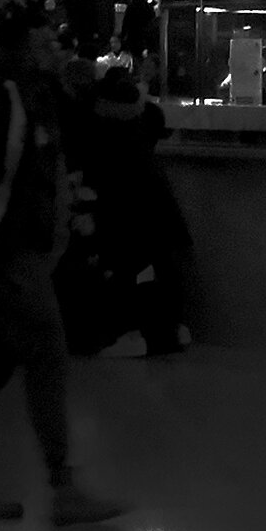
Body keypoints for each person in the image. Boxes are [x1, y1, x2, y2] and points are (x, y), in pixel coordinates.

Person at [0, 8, 123, 524]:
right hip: (9, 258)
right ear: (20, 49)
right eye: (42, 41)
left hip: (12, 255)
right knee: (47, 359)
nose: (54, 47)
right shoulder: (5, 103)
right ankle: (63, 488)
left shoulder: (34, 99)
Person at [77, 64, 190, 358]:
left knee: (126, 268)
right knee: (159, 268)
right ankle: (170, 326)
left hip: (127, 220)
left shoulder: (107, 140)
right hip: (157, 216)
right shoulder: (142, 136)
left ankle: (130, 331)